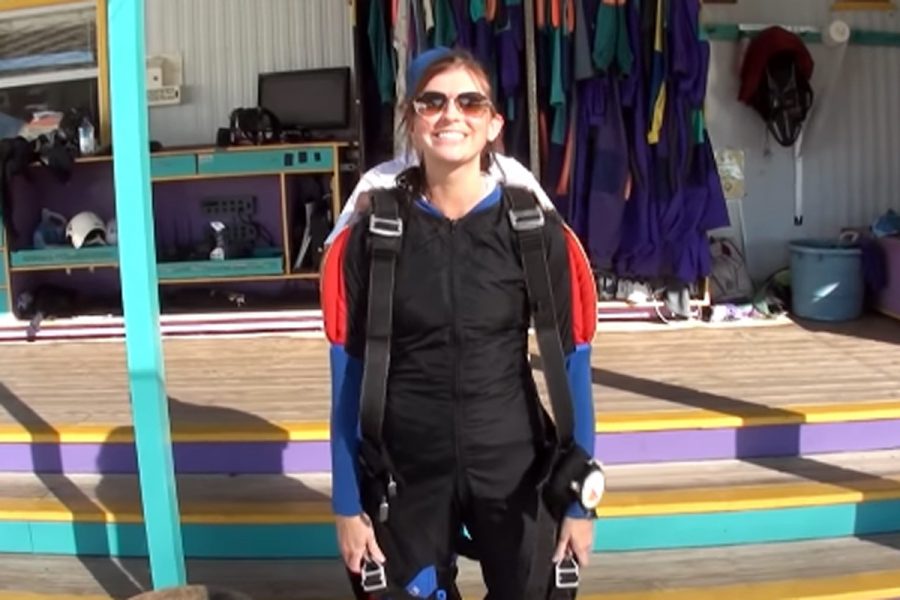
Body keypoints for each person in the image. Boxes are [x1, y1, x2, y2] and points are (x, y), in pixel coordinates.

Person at [321, 47, 599, 599]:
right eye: (433, 101)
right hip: (407, 467)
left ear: (494, 123)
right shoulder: (372, 236)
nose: (451, 114)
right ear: (412, 120)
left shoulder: (534, 231)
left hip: (513, 463)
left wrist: (578, 504)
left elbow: (573, 369)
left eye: (470, 101)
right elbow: (346, 382)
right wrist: (348, 506)